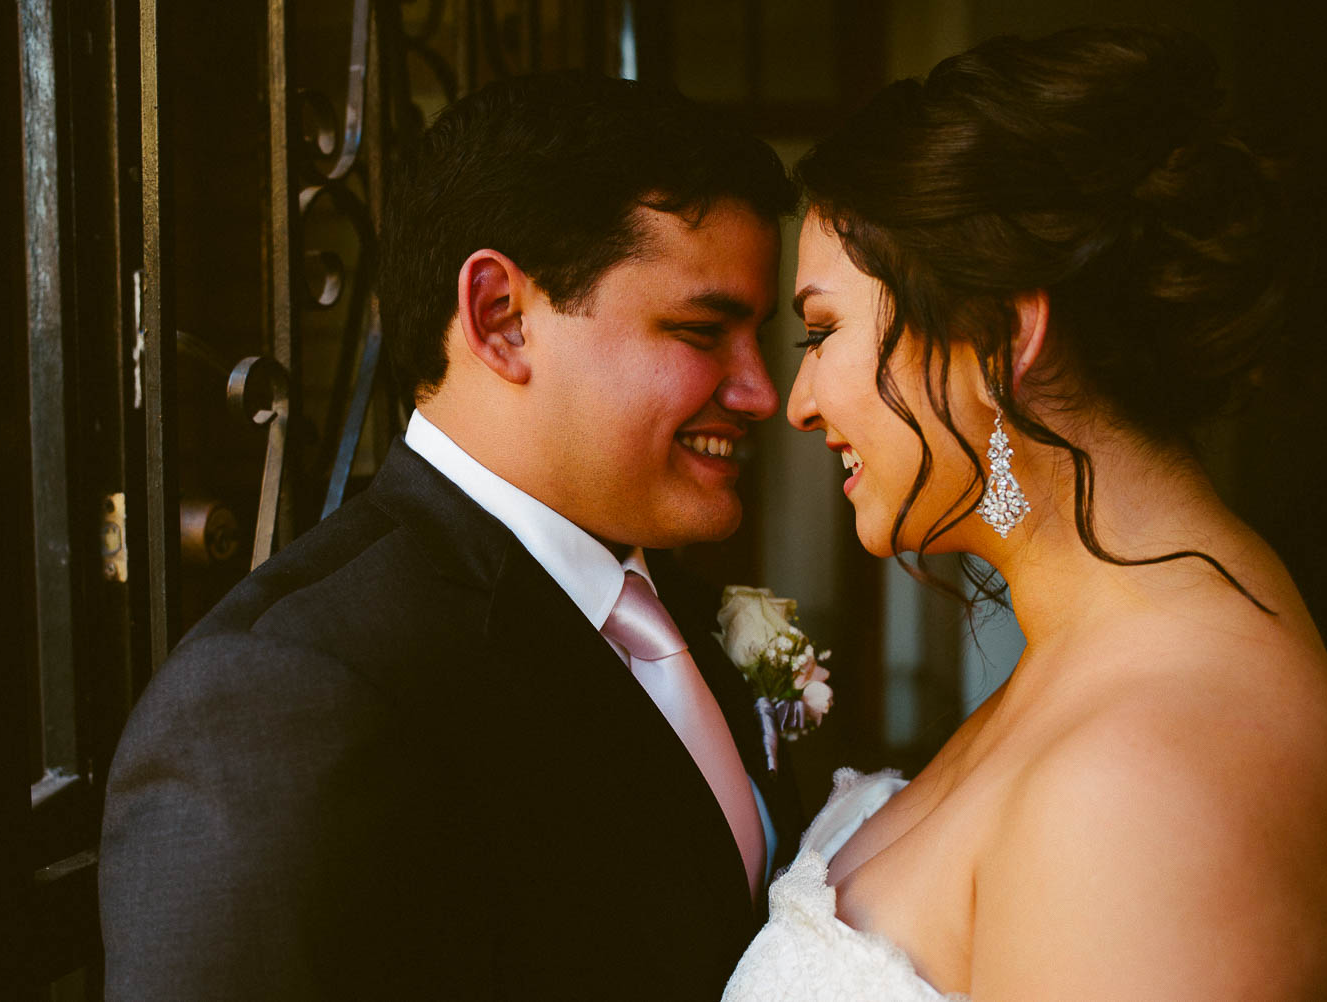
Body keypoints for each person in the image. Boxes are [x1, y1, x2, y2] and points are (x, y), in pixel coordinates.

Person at [99, 71, 802, 1001]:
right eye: (703, 331)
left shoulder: (667, 607)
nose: (762, 392)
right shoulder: (286, 697)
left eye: (763, 338)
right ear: (501, 319)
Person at [725, 25, 1327, 1001]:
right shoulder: (1104, 652)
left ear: (1001, 337)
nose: (798, 403)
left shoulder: (1149, 779)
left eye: (823, 330)